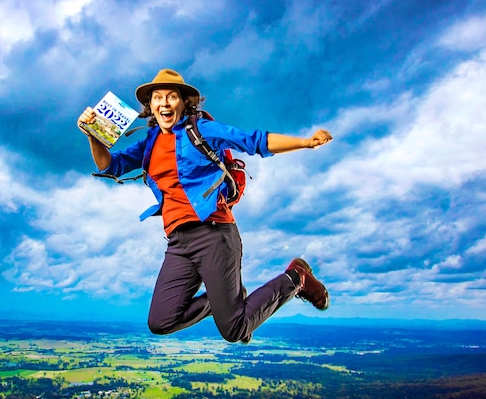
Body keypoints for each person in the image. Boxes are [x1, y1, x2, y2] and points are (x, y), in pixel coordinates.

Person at [78, 68, 333, 343]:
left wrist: (306, 142)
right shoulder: (150, 142)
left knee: (235, 330)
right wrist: (93, 135)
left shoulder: (201, 130)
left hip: (214, 234)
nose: (164, 103)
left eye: (172, 96)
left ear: (184, 102)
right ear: (150, 106)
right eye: (157, 98)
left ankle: (296, 278)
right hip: (178, 242)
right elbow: (110, 165)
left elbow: (254, 140)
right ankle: (222, 301)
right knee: (161, 321)